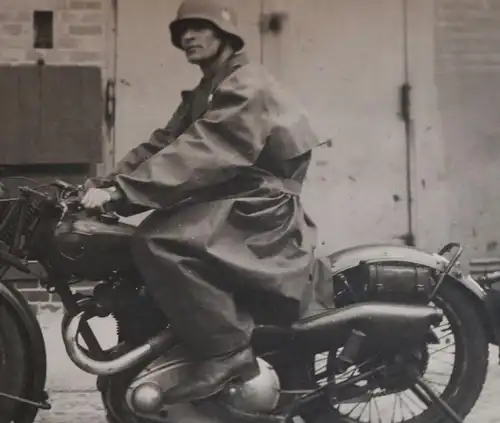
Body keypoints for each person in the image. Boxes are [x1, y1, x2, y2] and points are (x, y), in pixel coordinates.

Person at [81, 0, 332, 405]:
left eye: (200, 27)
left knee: (158, 240)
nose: (188, 37)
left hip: (262, 203)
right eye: (183, 30)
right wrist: (105, 184)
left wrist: (123, 193)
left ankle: (227, 350)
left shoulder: (246, 84)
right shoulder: (208, 88)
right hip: (238, 196)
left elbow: (207, 149)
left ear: (226, 36)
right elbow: (164, 144)